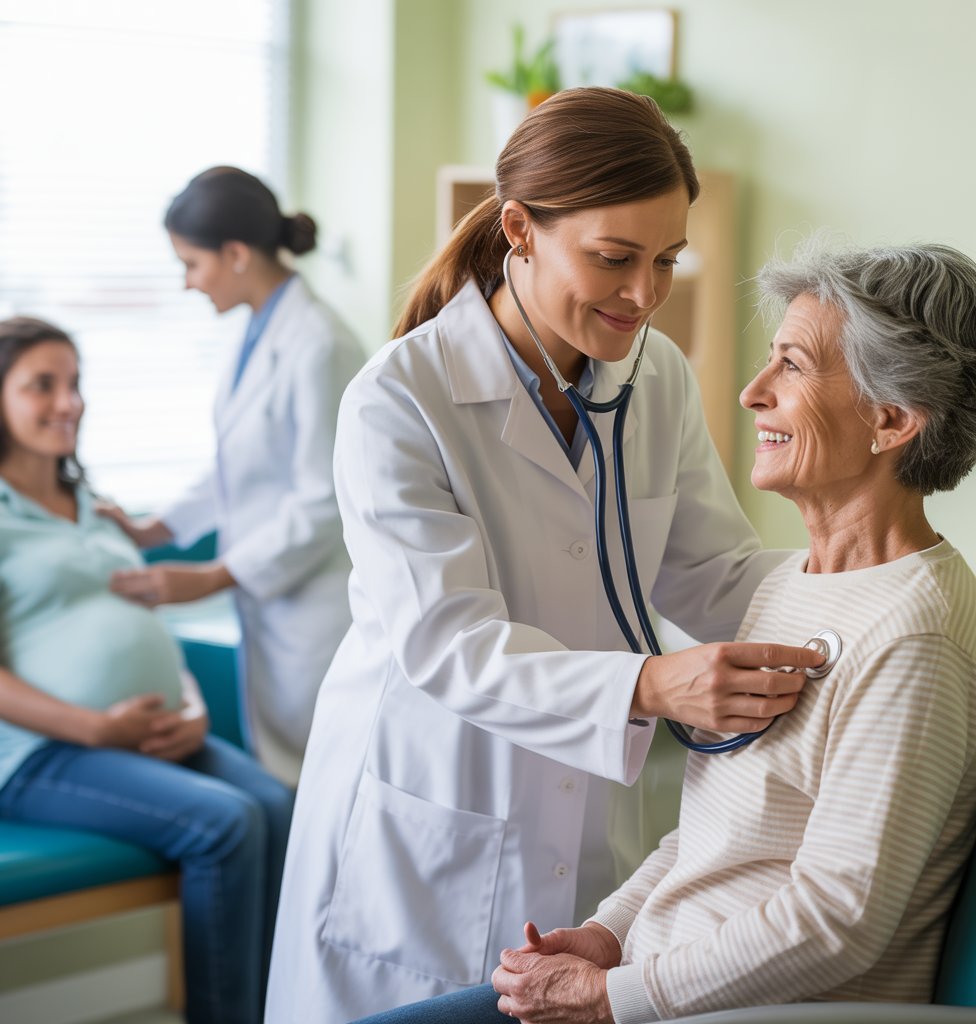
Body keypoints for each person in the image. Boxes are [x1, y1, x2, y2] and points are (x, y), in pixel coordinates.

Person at [264, 87, 826, 1022]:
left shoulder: (657, 376)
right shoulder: (398, 401)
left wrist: (878, 595)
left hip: (584, 821)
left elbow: (717, 575)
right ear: (520, 229)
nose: (645, 295)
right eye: (613, 258)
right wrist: (650, 686)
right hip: (428, 812)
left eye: (666, 261)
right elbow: (449, 644)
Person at [352, 238, 976, 1023]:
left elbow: (836, 921)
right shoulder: (789, 586)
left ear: (889, 420)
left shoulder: (913, 634)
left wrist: (615, 997)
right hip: (663, 983)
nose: (753, 393)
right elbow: (712, 838)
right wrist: (609, 936)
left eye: (791, 364)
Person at [0, 316, 295, 1024]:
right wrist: (95, 727)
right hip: (47, 757)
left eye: (74, 384)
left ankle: (278, 1009)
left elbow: (149, 625)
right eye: (41, 385)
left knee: (281, 806)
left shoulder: (95, 509)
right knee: (225, 823)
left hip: (155, 733)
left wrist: (193, 708)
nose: (67, 402)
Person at [99, 166, 364, 785]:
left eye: (192, 264)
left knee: (327, 786)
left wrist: (214, 576)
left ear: (237, 254)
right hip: (274, 610)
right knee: (289, 779)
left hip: (316, 611)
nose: (188, 284)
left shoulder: (320, 344)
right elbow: (236, 465)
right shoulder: (256, 328)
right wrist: (154, 529)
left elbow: (323, 503)